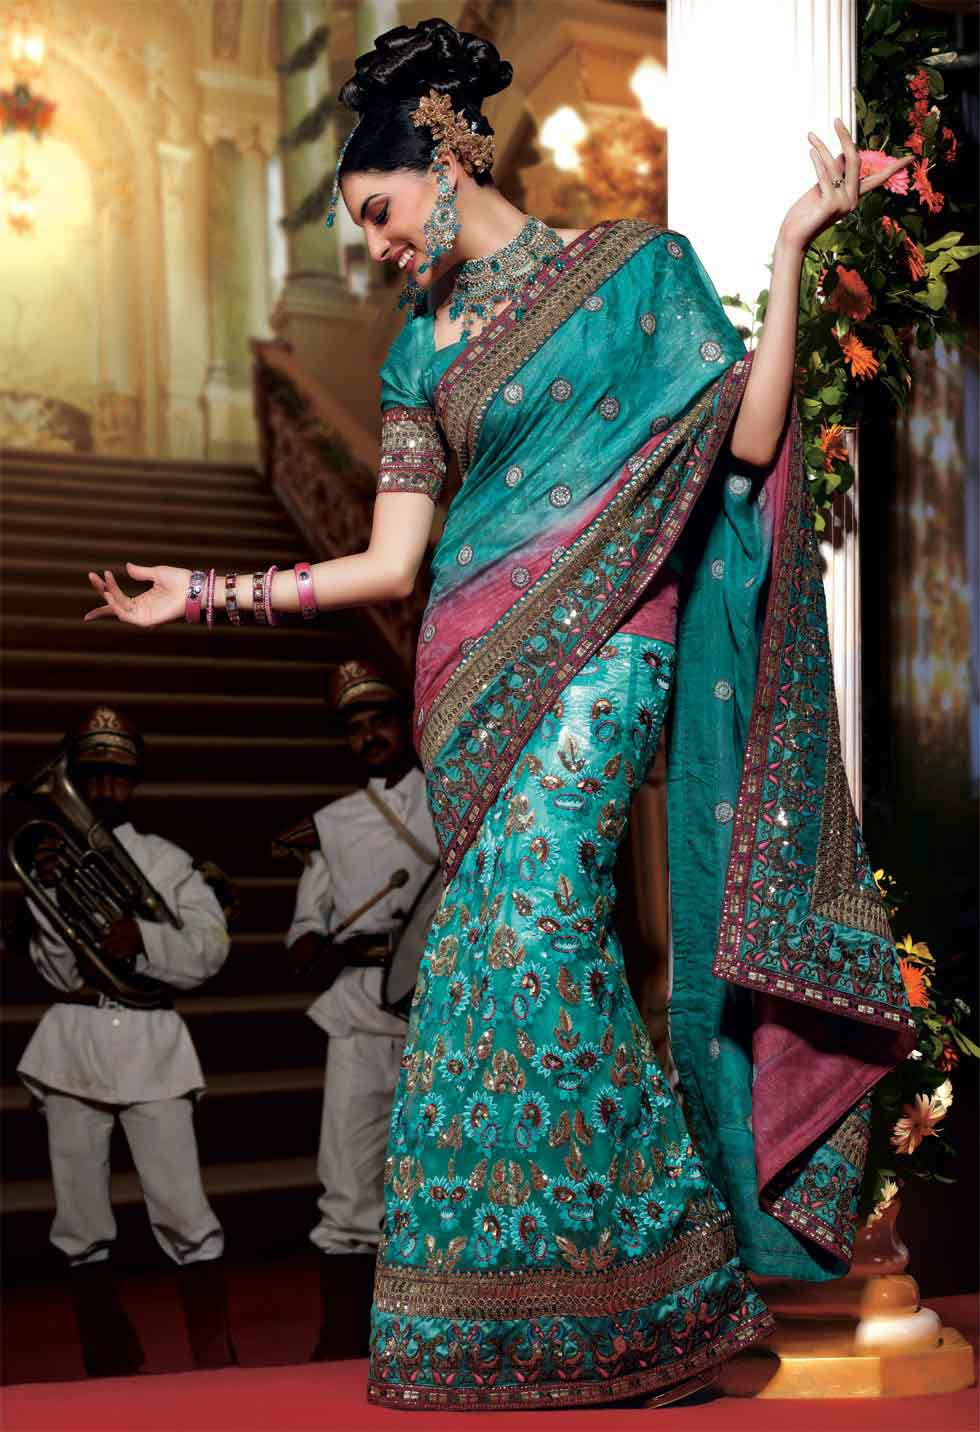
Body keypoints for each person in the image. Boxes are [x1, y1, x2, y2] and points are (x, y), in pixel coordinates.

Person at [83, 17, 917, 1412]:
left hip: (607, 658)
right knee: (480, 975)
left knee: (534, 933)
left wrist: (788, 251)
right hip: (466, 683)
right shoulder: (419, 354)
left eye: (379, 212)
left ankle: (667, 1294)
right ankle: (536, 1318)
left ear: (445, 158)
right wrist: (208, 594)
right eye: (358, 229)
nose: (375, 248)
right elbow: (388, 565)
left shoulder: (637, 271)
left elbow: (750, 441)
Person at [14, 707, 236, 1378]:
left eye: (119, 777)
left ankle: (215, 1360)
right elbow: (57, 971)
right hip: (73, 1038)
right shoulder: (52, 859)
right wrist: (49, 893)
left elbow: (209, 952)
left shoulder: (169, 861)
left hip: (152, 1039)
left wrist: (142, 940)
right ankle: (105, 1356)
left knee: (183, 1208)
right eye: (92, 777)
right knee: (78, 1217)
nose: (106, 790)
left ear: (136, 782)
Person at [281, 659, 440, 1360]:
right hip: (358, 1009)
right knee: (347, 1180)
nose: (370, 736)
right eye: (355, 728)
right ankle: (342, 1342)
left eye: (381, 721)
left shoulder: (452, 794)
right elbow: (303, 927)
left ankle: (439, 1332)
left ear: (406, 723)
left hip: (443, 1007)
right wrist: (308, 943)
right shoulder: (331, 824)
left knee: (445, 1171)